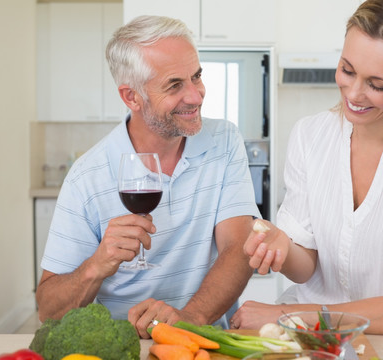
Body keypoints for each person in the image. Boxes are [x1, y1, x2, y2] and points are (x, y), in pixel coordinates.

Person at [230, 0, 383, 335]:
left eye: (376, 85)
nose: (353, 92)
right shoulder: (310, 135)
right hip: (315, 342)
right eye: (347, 70)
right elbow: (305, 267)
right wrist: (282, 245)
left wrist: (288, 315)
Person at [35, 15, 260, 338]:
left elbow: (239, 247)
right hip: (123, 345)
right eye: (174, 85)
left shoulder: (224, 142)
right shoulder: (87, 176)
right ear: (131, 97)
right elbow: (48, 309)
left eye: (196, 77)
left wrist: (189, 319)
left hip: (205, 341)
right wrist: (96, 265)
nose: (196, 96)